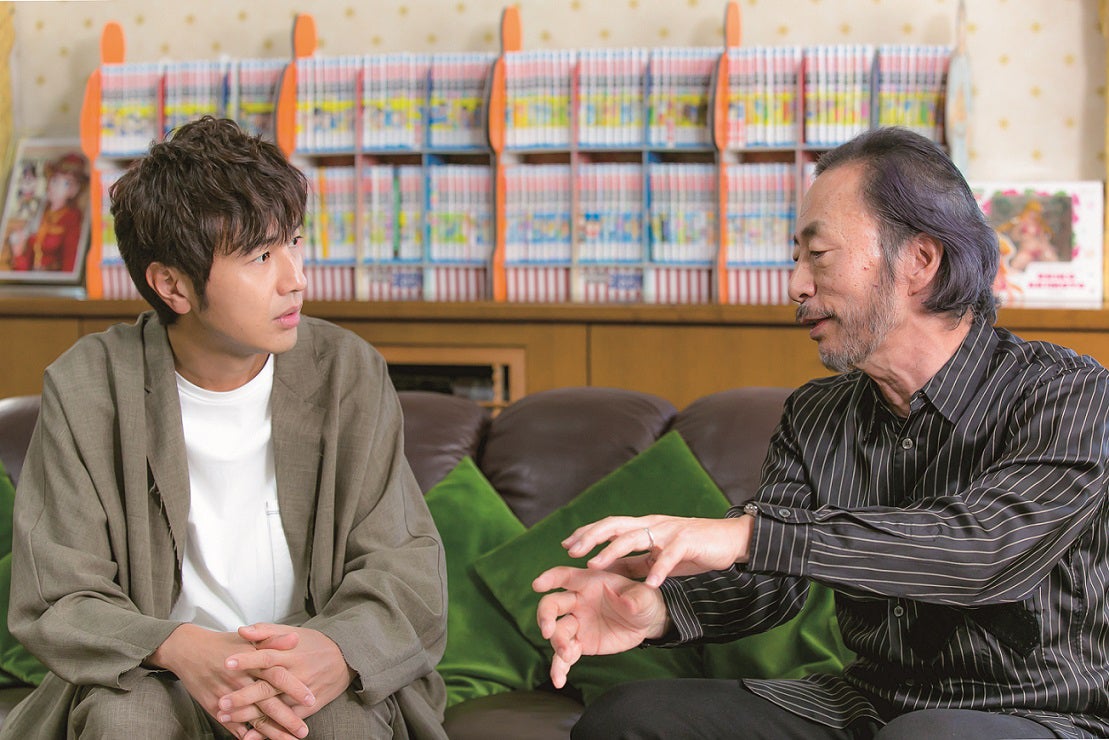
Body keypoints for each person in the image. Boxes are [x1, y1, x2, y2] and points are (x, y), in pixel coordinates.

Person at [533, 126, 1109, 739]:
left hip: (1040, 715)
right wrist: (654, 609)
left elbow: (983, 551)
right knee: (627, 720)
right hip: (864, 705)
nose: (796, 287)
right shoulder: (816, 413)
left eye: (819, 254)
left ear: (920, 261)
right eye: (796, 258)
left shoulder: (1070, 394)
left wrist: (748, 533)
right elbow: (769, 580)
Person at [2, 117, 448, 740]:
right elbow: (58, 594)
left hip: (309, 667)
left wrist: (333, 651)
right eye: (261, 256)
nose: (295, 278)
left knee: (343, 719)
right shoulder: (87, 387)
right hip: (156, 673)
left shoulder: (347, 372)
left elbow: (406, 564)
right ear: (172, 285)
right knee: (125, 717)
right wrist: (179, 648)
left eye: (294, 242)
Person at [5, 152, 89, 273]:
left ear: (74, 190)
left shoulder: (72, 219)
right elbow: (25, 265)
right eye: (54, 180)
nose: (54, 186)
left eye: (65, 183)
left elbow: (70, 266)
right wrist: (18, 253)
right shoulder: (42, 213)